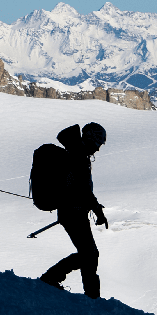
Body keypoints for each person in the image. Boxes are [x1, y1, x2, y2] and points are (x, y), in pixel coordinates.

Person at [40, 122, 108, 299]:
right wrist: (97, 211)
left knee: (88, 253)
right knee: (89, 254)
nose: (98, 149)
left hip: (71, 211)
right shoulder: (78, 156)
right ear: (91, 139)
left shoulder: (74, 153)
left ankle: (55, 279)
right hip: (73, 213)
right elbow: (83, 190)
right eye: (98, 144)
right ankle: (89, 294)